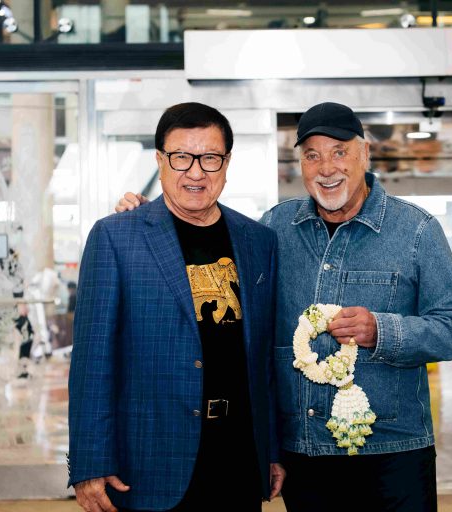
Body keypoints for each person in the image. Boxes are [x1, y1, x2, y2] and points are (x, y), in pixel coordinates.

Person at [116, 102, 452, 511]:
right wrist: (151, 220)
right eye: (312, 155)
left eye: (339, 152)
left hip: (392, 450)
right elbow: (211, 263)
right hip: (303, 453)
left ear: (365, 154)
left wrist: (382, 331)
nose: (326, 168)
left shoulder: (415, 230)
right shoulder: (274, 229)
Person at [69, 102, 285, 512]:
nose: (196, 172)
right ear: (160, 160)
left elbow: (264, 361)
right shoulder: (117, 237)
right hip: (150, 462)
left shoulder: (258, 240)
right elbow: (92, 363)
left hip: (238, 456)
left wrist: (270, 448)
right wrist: (89, 461)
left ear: (226, 163)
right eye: (182, 157)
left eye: (210, 158)